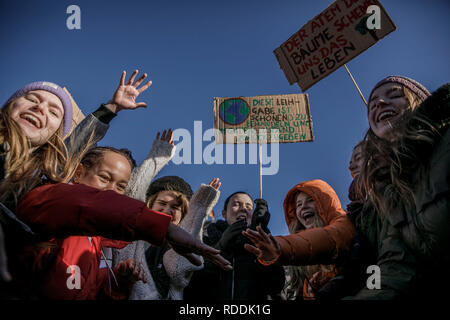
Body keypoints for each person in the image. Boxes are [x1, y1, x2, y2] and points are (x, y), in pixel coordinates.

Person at [0, 70, 153, 297]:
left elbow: (84, 286)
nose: (40, 108)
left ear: (55, 135)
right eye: (32, 99)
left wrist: (119, 280)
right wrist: (110, 108)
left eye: (54, 111)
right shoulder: (58, 207)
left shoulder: (39, 177)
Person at [350, 76, 450, 299]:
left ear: (419, 101)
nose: (380, 103)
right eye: (373, 104)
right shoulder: (388, 189)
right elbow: (393, 268)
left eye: (394, 95)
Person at [242, 180, 355, 298]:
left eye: (311, 200)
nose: (304, 207)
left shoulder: (343, 224)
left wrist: (280, 247)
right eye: (299, 204)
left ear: (326, 203)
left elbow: (318, 240)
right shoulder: (296, 265)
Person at [184, 192, 285, 300]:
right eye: (236, 204)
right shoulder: (206, 238)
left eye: (249, 206)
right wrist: (220, 248)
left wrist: (262, 232)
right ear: (224, 213)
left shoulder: (265, 242)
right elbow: (194, 284)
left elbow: (275, 287)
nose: (243, 209)